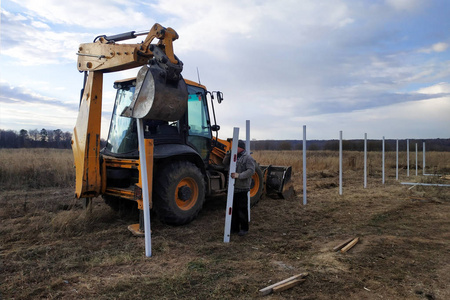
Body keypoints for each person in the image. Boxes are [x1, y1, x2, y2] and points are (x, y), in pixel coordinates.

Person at [224, 140, 255, 236]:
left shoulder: (247, 158)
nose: (233, 148)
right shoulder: (233, 157)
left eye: (235, 147)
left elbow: (251, 171)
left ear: (240, 148)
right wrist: (228, 154)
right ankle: (234, 228)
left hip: (242, 187)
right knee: (233, 209)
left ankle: (244, 228)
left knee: (242, 208)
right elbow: (224, 163)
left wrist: (239, 175)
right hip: (232, 187)